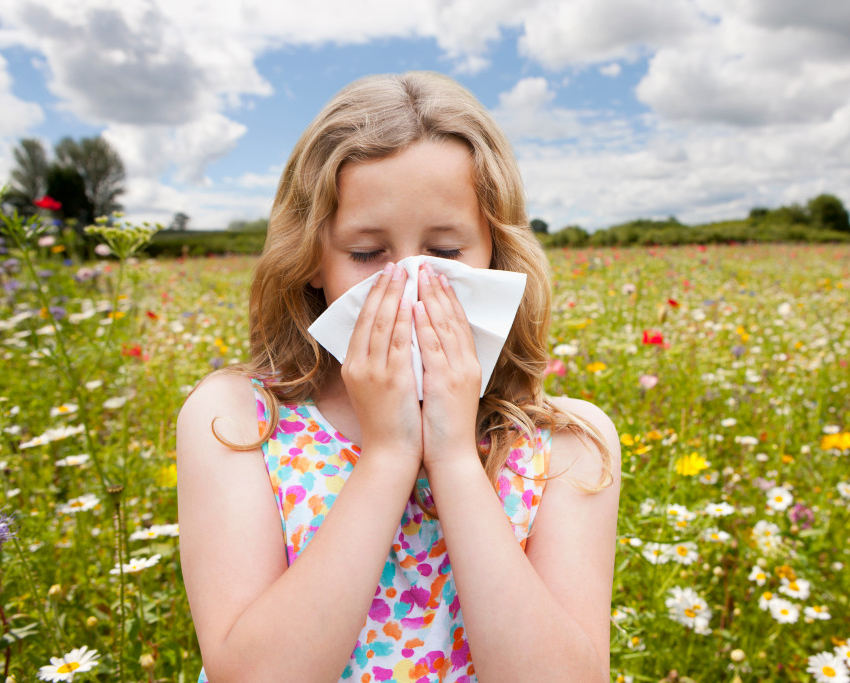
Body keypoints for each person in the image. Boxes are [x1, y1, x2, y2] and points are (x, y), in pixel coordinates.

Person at [177, 71, 621, 683]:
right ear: (311, 258)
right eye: (367, 253)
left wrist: (455, 459)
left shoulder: (568, 445)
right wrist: (388, 455)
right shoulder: (236, 420)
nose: (408, 284)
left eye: (444, 252)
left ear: (496, 250)